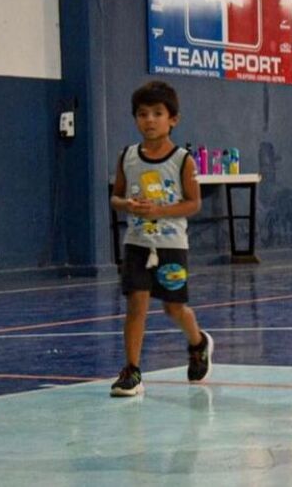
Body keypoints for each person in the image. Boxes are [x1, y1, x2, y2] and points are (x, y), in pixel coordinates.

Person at [109, 80, 213, 397]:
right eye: (142, 114)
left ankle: (198, 342)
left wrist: (161, 210)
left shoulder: (183, 160)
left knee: (173, 308)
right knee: (136, 304)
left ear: (173, 119)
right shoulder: (128, 156)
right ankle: (132, 370)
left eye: (157, 113)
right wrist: (127, 205)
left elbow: (193, 203)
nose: (149, 120)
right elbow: (115, 197)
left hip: (171, 245)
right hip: (138, 243)